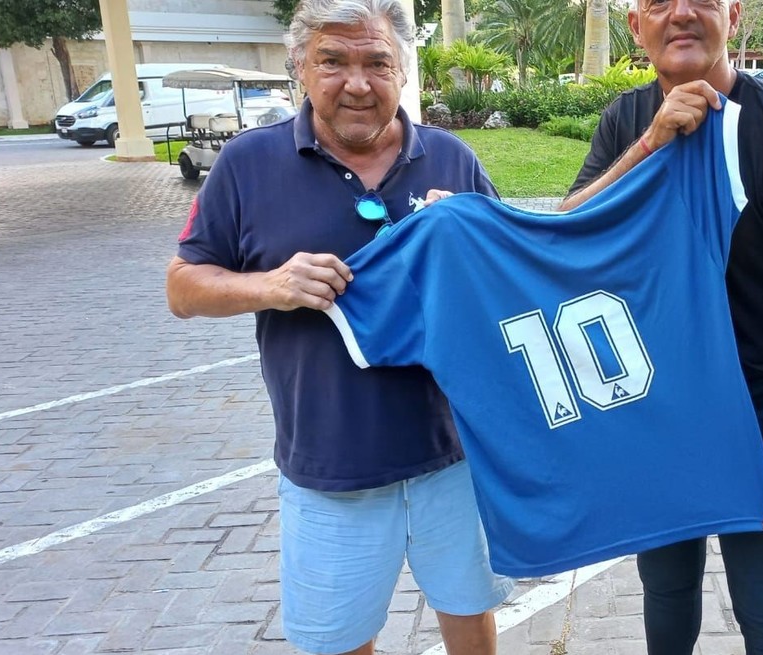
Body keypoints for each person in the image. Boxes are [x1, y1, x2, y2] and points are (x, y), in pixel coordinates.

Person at [164, 0, 512, 653]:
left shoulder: (453, 161)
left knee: (471, 613)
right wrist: (268, 285)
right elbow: (183, 286)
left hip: (454, 458)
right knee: (337, 640)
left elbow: (507, 283)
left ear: (403, 70)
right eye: (333, 61)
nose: (357, 82)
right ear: (300, 66)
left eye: (377, 62)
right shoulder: (247, 164)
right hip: (328, 470)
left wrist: (472, 239)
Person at [559, 0, 763, 652]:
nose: (682, 15)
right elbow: (568, 227)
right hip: (656, 412)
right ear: (636, 27)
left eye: (703, 1)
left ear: (733, 17)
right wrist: (651, 141)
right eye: (659, 3)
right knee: (665, 593)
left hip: (754, 412)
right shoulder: (626, 120)